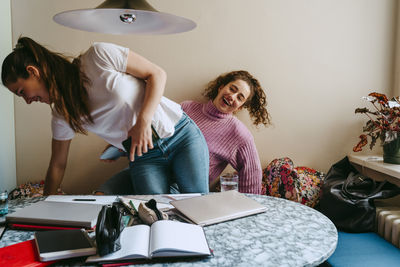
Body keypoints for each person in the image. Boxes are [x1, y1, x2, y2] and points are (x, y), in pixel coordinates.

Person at [1, 37, 209, 195]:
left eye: (21, 92)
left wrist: (143, 122)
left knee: (198, 207)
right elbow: (57, 164)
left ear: (33, 72)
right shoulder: (61, 115)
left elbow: (157, 74)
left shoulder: (98, 56)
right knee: (155, 219)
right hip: (144, 157)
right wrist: (45, 206)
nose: (27, 100)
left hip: (181, 135)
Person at [181, 70, 271, 194]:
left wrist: (244, 208)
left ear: (239, 107)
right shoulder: (186, 107)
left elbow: (252, 178)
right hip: (155, 171)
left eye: (239, 98)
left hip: (186, 193)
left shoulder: (238, 133)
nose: (232, 97)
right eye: (232, 89)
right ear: (221, 87)